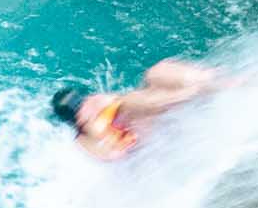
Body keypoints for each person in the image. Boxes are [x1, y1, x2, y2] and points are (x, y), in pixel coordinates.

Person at [50, 59, 225, 160]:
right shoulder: (84, 138)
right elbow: (113, 155)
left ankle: (215, 82)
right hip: (149, 142)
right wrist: (96, 129)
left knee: (156, 72)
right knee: (130, 104)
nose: (86, 105)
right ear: (75, 120)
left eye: (83, 101)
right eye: (79, 108)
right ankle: (193, 93)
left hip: (154, 115)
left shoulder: (98, 101)